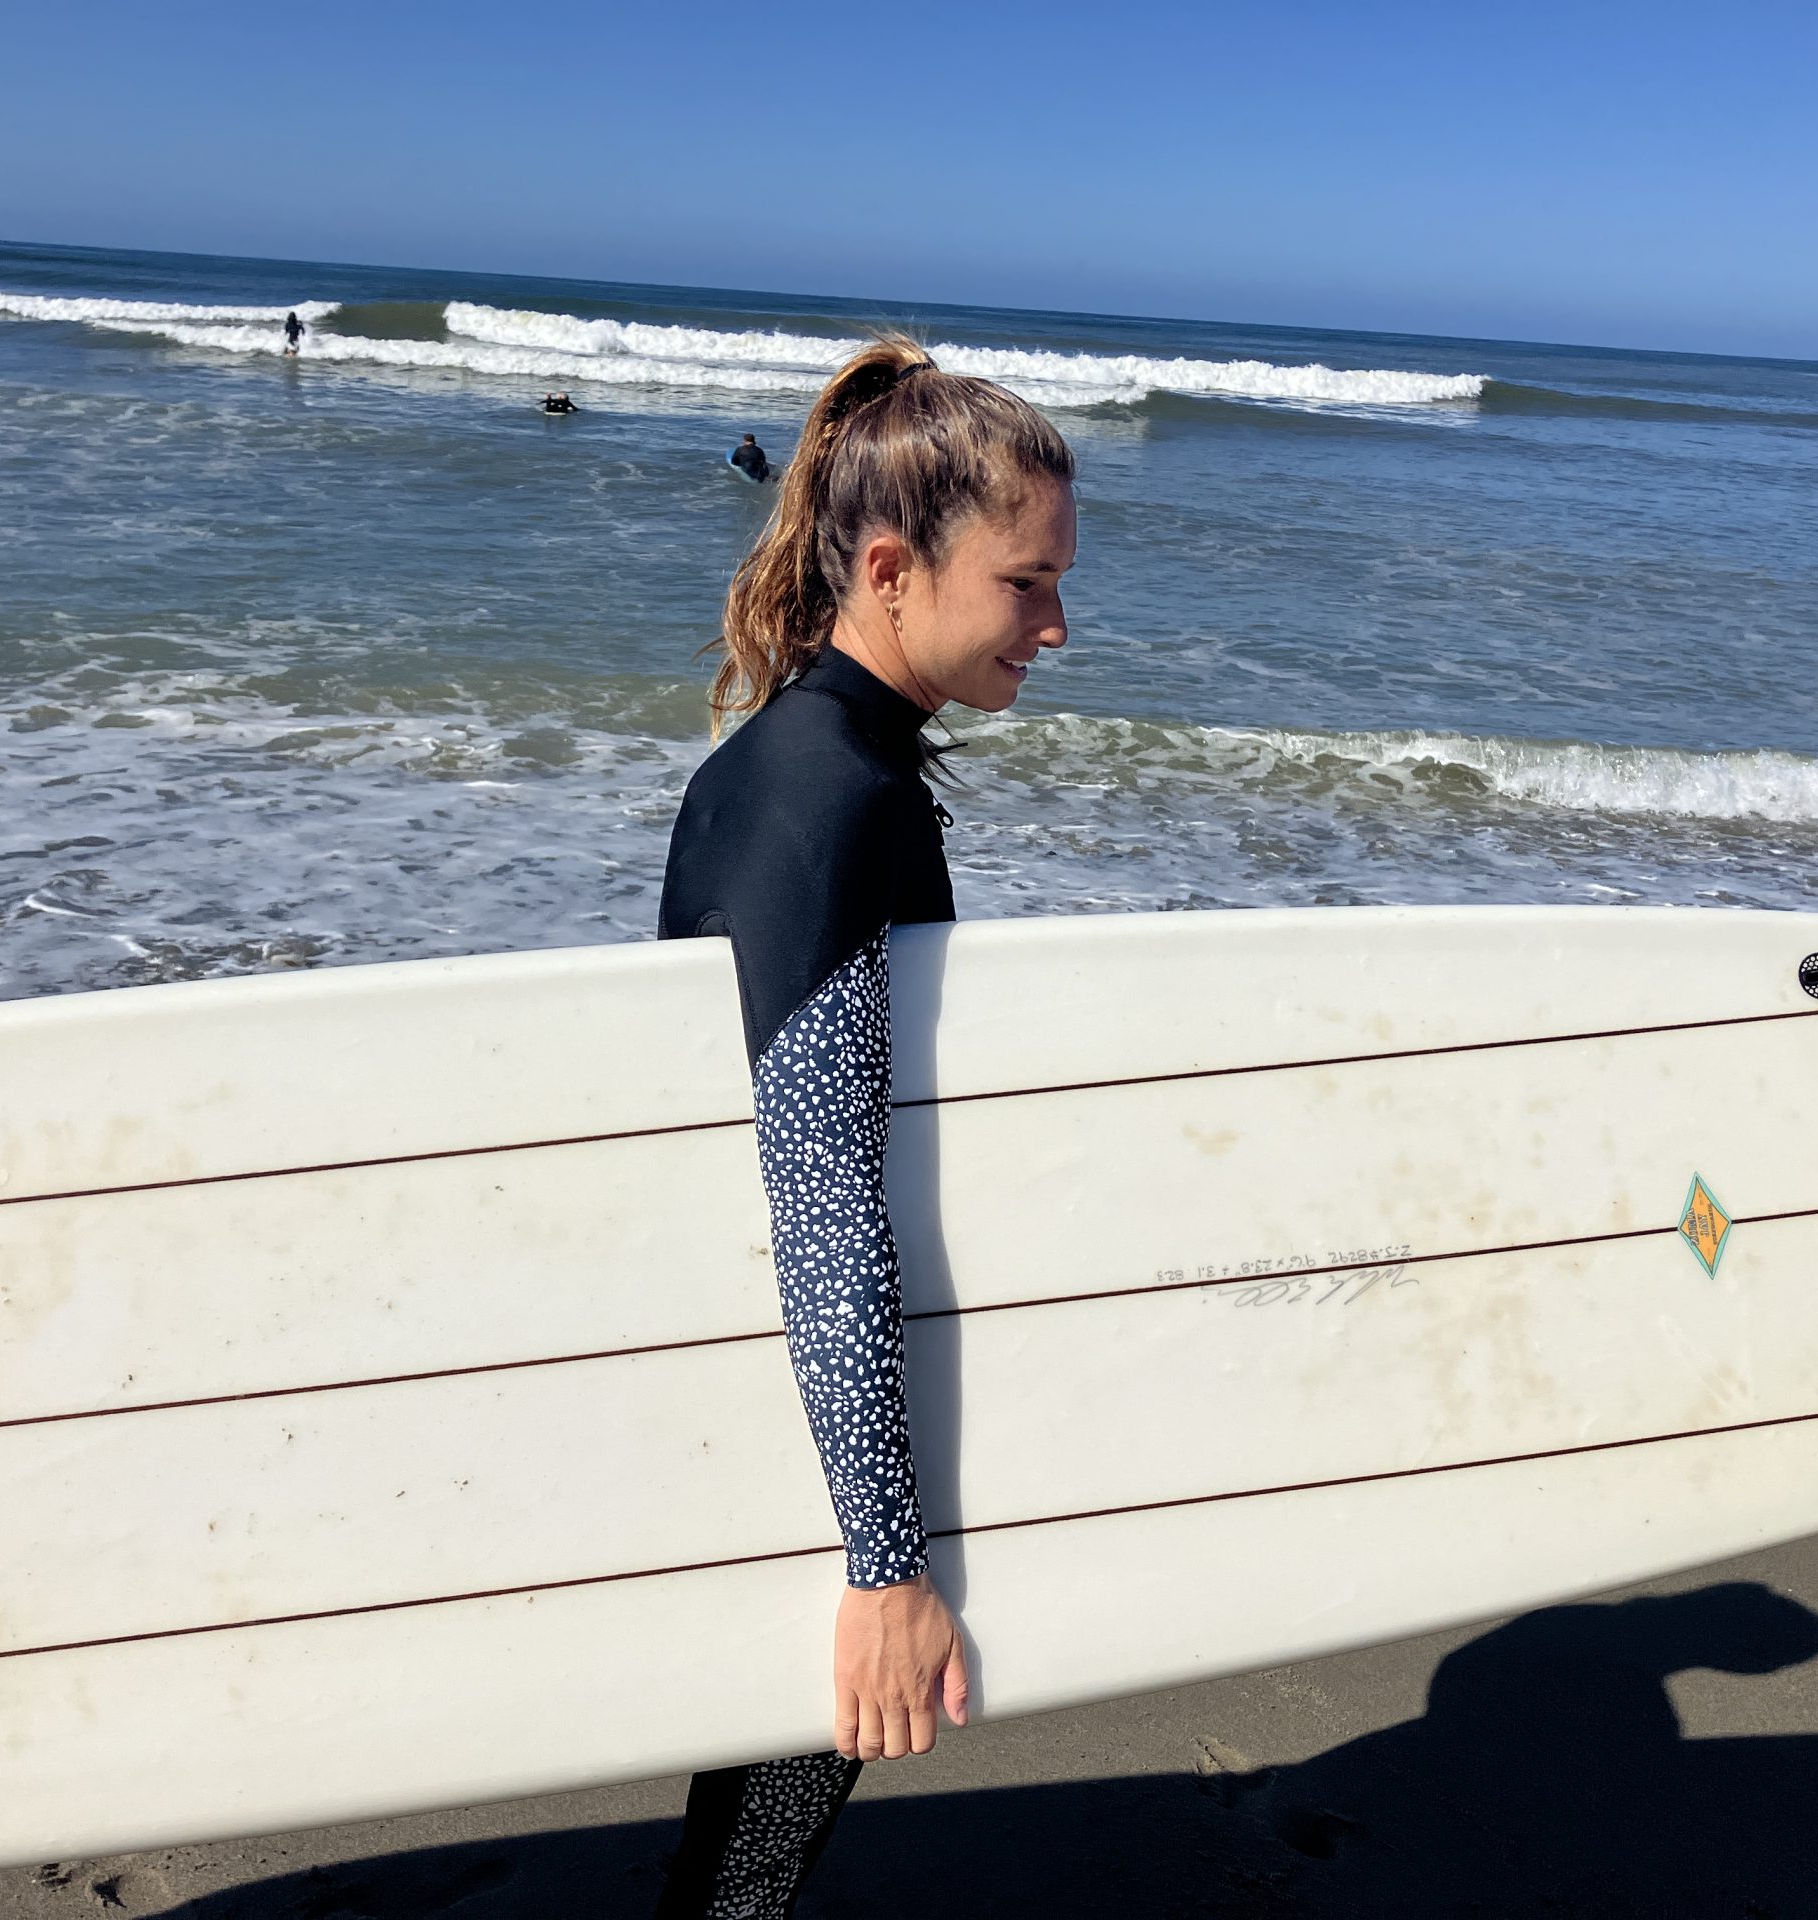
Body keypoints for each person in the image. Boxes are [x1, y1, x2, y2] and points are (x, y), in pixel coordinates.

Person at [654, 337, 1075, 1917]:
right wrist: (886, 1564)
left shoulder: (805, 759)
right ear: (893, 569)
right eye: (1026, 582)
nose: (1055, 622)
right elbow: (819, 1184)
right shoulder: (832, 796)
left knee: (764, 1795)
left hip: (778, 1365)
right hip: (808, 1391)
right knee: (774, 1816)